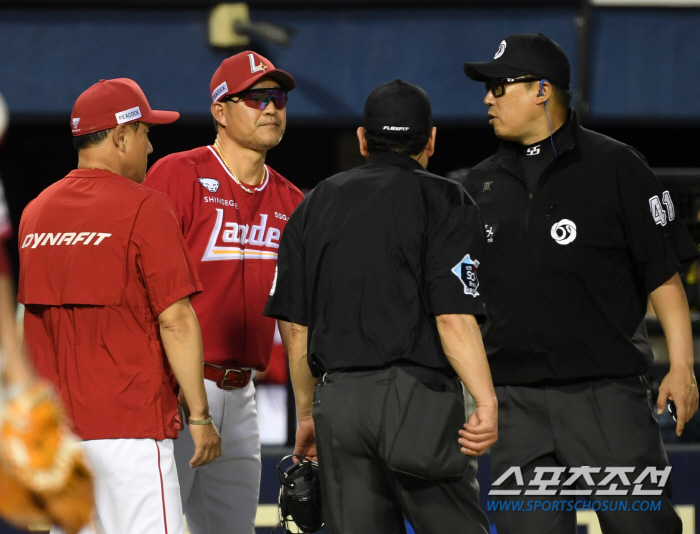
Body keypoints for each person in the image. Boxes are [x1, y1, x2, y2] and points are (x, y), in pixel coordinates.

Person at [461, 33, 700, 533]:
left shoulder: (616, 166)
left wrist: (681, 366)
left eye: (500, 87)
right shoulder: (475, 184)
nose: (488, 98)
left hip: (606, 397)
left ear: (542, 90)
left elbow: (665, 277)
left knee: (642, 530)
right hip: (516, 406)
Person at [264, 79, 498, 534]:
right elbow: (452, 316)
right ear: (430, 140)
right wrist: (486, 399)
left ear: (362, 139)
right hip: (416, 398)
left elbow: (296, 327)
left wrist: (308, 413)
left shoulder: (314, 205)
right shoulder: (446, 198)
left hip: (339, 404)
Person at [17, 78, 221, 534]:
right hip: (131, 432)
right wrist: (201, 416)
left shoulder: (35, 213)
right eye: (146, 133)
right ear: (121, 136)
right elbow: (177, 322)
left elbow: (32, 329)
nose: (150, 148)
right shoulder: (146, 207)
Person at [144, 51, 302, 534]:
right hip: (176, 387)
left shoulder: (292, 200)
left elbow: (298, 323)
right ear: (220, 110)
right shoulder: (178, 174)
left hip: (244, 392)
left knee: (233, 529)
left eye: (278, 97)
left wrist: (309, 410)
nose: (271, 108)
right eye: (256, 98)